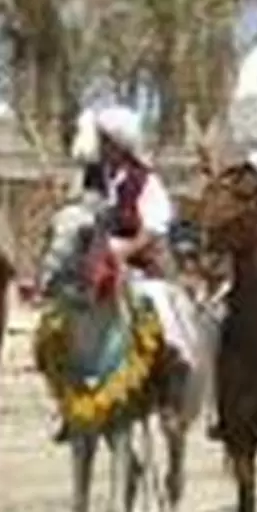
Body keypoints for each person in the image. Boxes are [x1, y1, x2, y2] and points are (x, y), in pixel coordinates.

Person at [88, 105, 204, 381]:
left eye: (105, 141)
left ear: (119, 145)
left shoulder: (145, 181)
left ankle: (175, 360)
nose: (101, 148)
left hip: (140, 261)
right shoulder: (92, 177)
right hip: (95, 257)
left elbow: (153, 228)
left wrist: (122, 252)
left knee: (155, 301)